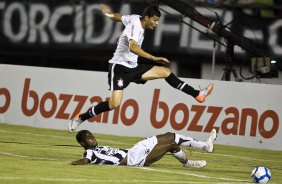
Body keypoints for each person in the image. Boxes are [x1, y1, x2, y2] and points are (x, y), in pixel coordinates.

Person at [68, 4, 214, 132]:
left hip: (133, 67)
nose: (156, 24)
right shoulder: (135, 26)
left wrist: (108, 13)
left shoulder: (134, 18)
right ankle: (81, 117)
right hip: (119, 67)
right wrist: (153, 58)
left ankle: (197, 94)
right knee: (114, 104)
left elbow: (119, 17)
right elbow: (133, 47)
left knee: (166, 72)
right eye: (155, 20)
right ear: (147, 17)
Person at [70, 129, 217, 168]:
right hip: (134, 160)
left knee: (169, 135)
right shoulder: (89, 152)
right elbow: (86, 160)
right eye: (89, 138)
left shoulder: (99, 147)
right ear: (83, 143)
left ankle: (203, 148)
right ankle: (192, 160)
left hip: (134, 150)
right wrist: (77, 162)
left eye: (92, 136)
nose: (93, 138)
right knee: (171, 144)